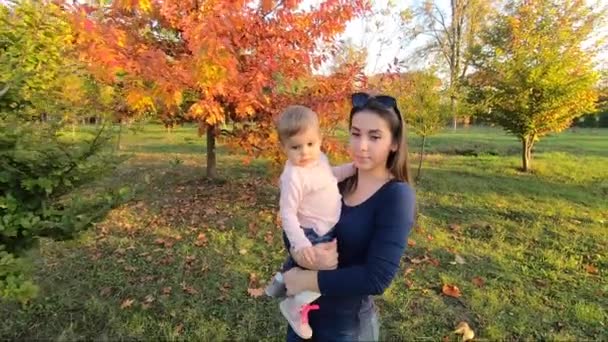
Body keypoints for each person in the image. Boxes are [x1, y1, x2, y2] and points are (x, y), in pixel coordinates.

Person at [282, 92, 417, 341]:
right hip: (303, 317)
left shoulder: (397, 196)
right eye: (355, 133)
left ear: (394, 143)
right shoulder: (338, 181)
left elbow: (376, 278)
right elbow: (297, 225)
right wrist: (300, 254)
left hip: (346, 328)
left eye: (374, 136)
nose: (361, 145)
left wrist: (306, 279)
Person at [264, 105, 356, 339]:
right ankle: (295, 306)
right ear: (284, 147)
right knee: (329, 267)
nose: (304, 152)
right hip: (314, 233)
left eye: (310, 144)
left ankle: (283, 279)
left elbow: (329, 177)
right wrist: (301, 244)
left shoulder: (319, 160)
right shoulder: (294, 177)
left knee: (313, 267)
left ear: (319, 140)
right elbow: (287, 214)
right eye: (295, 147)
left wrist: (350, 170)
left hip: (327, 226)